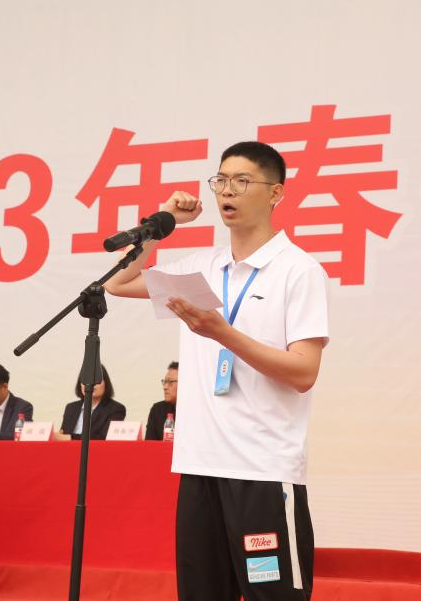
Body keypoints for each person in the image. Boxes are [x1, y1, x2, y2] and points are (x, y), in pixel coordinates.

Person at [104, 142, 329, 601]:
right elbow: (117, 283)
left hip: (263, 472)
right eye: (221, 180)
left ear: (275, 193)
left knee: (274, 596)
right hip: (200, 465)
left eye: (242, 181)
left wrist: (222, 333)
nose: (227, 191)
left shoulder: (298, 270)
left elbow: (304, 372)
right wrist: (161, 224)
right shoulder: (202, 267)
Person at [59, 365, 126, 440]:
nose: (90, 384)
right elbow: (62, 434)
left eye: (96, 380)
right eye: (85, 380)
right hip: (67, 447)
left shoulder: (116, 409)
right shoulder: (71, 408)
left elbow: (104, 438)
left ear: (106, 383)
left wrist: (69, 438)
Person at [144, 361, 178, 441]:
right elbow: (149, 444)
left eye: (170, 382)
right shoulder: (158, 410)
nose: (165, 387)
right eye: (164, 382)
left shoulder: (196, 411)